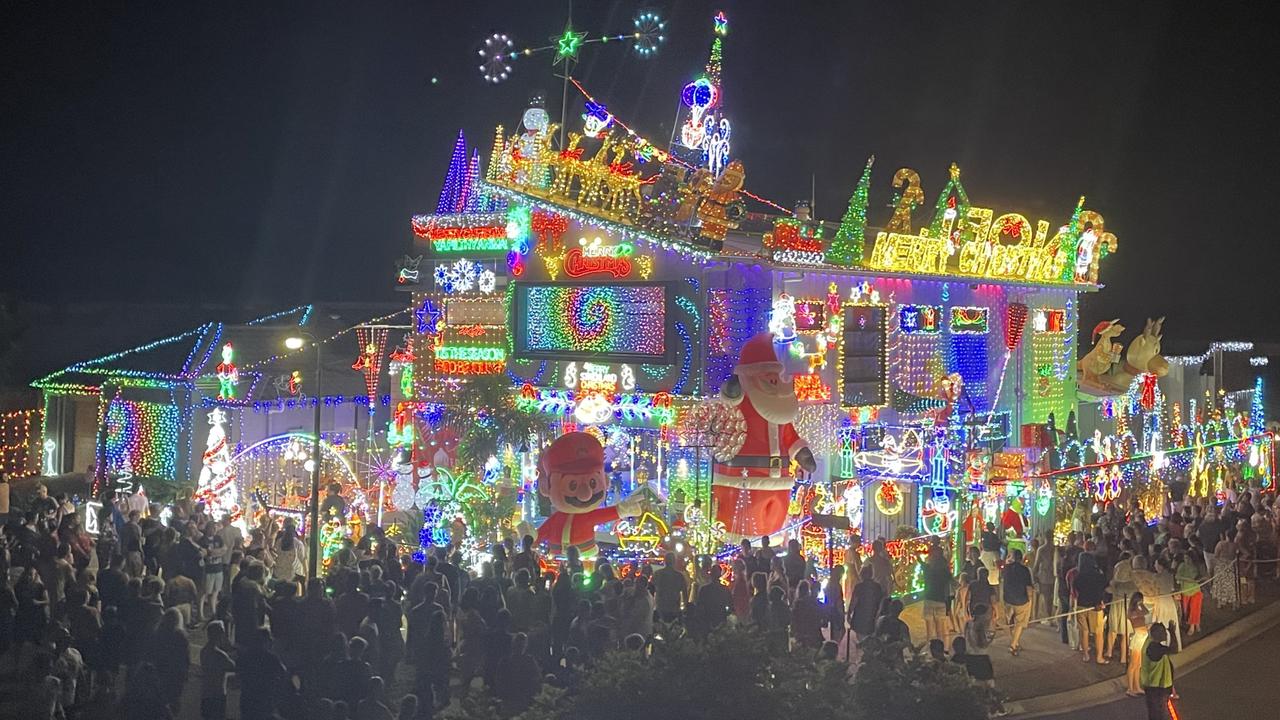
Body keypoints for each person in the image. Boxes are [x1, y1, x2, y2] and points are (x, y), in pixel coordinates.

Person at [1072, 552, 1108, 664]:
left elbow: (1076, 588)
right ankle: (1099, 657)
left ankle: (1086, 655)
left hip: (1081, 604)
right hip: (1096, 606)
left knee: (1084, 631)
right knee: (1098, 632)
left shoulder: (1078, 576)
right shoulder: (1098, 575)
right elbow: (1104, 586)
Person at [495, 631, 542, 715]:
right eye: (518, 645)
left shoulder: (529, 661)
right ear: (513, 645)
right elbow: (499, 680)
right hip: (509, 698)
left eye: (521, 646)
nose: (519, 648)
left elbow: (536, 679)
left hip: (524, 698)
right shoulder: (505, 661)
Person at [200, 620, 236, 720]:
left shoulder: (204, 651)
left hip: (206, 693)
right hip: (217, 694)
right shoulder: (220, 655)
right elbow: (233, 666)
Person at [1000, 548, 1034, 655]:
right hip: (1021, 600)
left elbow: (1000, 580)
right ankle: (1013, 645)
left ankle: (1015, 641)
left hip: (1008, 599)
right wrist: (1030, 599)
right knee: (1019, 623)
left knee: (1010, 622)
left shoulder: (1006, 569)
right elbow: (1029, 587)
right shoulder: (1025, 570)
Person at [1140, 623, 1175, 720]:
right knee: (1159, 714)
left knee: (1154, 713)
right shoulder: (1155, 649)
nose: (1165, 634)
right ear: (1157, 634)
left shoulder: (1149, 643)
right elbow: (1174, 649)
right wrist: (1172, 632)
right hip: (1158, 687)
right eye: (1163, 632)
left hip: (1151, 686)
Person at [847, 565, 884, 642]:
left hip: (860, 615)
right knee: (870, 635)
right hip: (872, 615)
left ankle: (864, 649)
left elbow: (854, 601)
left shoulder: (859, 587)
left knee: (861, 636)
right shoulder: (877, 587)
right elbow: (881, 601)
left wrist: (849, 613)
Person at [921, 548, 950, 642]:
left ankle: (929, 650)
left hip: (929, 600)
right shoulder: (945, 571)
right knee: (940, 630)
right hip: (941, 601)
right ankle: (941, 649)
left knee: (929, 630)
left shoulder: (927, 569)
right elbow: (952, 584)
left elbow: (920, 561)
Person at [1124, 593, 1149, 698]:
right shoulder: (1132, 611)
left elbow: (1146, 612)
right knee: (1133, 664)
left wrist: (1142, 605)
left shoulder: (1140, 609)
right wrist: (1138, 606)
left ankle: (1137, 686)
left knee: (1138, 665)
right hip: (1138, 637)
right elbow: (1133, 616)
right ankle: (1130, 688)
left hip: (1143, 636)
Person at [652, 553, 687, 622]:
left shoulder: (658, 574)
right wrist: (685, 607)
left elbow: (652, 590)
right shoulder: (679, 576)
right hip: (674, 608)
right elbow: (684, 593)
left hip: (661, 607)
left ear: (665, 561)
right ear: (674, 561)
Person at [790, 580, 824, 648]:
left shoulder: (798, 603)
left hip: (802, 632)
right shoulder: (815, 603)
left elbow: (794, 618)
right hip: (812, 633)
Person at [1176, 551, 1203, 636]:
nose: (1186, 560)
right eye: (1185, 558)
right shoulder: (1182, 566)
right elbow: (1177, 576)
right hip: (1185, 591)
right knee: (1186, 610)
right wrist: (1187, 579)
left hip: (1195, 590)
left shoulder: (1196, 567)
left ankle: (1192, 626)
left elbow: (1199, 578)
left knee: (1195, 608)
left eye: (1188, 558)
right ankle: (1196, 623)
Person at [1212, 529, 1239, 608]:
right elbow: (1242, 553)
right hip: (1231, 565)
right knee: (1232, 584)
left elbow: (1216, 555)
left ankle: (1220, 602)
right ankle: (1234, 603)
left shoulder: (1220, 544)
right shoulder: (1235, 545)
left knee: (1221, 584)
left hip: (1222, 566)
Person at [823, 565, 846, 645]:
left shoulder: (830, 583)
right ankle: (835, 646)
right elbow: (837, 600)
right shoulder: (836, 586)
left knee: (836, 630)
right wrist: (841, 612)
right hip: (836, 610)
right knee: (839, 630)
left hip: (831, 608)